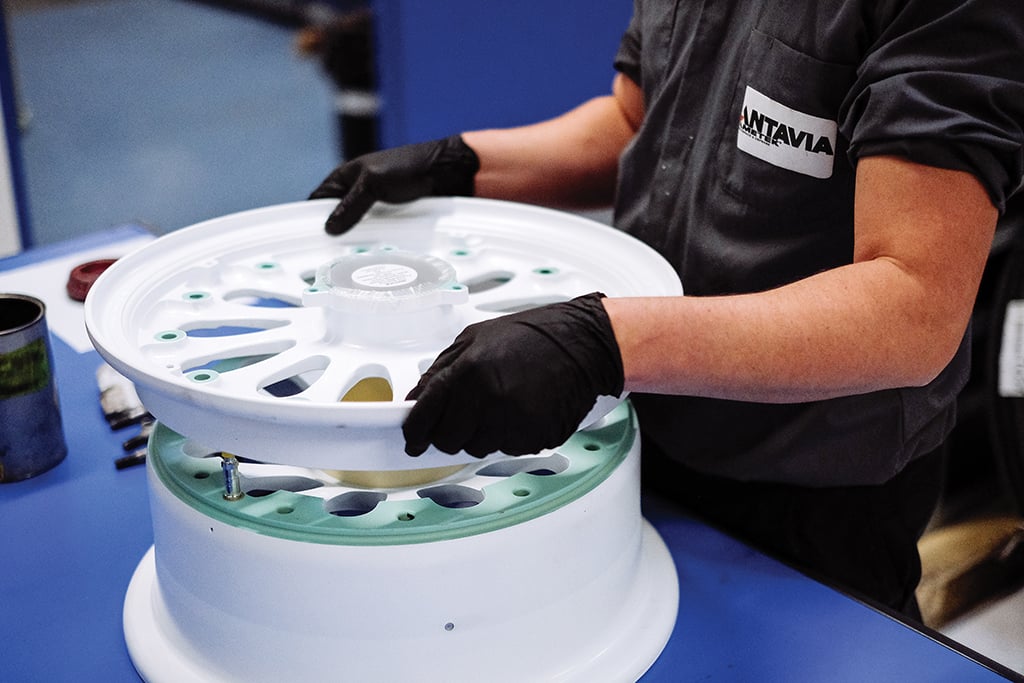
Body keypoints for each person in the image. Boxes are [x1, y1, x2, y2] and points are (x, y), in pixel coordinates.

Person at [309, 0, 1024, 620]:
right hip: (646, 423)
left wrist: (605, 341)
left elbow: (912, 305)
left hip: (814, 494)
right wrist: (461, 163)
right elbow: (637, 120)